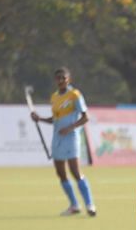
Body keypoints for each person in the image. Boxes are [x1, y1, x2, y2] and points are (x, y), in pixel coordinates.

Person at [30, 66, 97, 216]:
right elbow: (55, 119)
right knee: (61, 173)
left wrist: (70, 128)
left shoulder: (74, 95)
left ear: (69, 80)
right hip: (57, 139)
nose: (61, 81)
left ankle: (90, 204)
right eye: (58, 78)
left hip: (71, 137)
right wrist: (39, 118)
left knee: (75, 171)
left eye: (63, 78)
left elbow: (86, 117)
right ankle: (74, 205)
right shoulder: (54, 97)